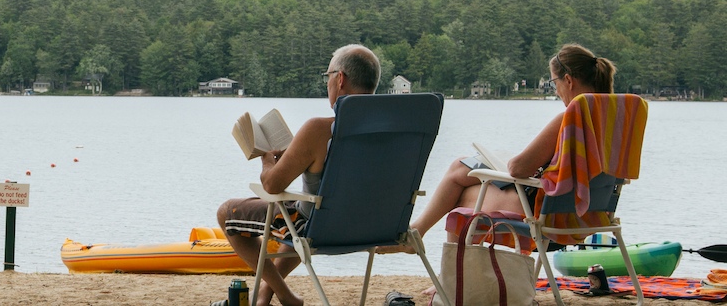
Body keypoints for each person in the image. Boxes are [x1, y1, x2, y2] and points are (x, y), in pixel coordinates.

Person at [381, 43, 617, 254]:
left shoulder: (571, 118)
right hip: (592, 216)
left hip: (549, 220)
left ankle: (447, 272)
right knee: (461, 167)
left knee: (463, 198)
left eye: (554, 82)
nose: (555, 90)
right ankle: (419, 238)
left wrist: (509, 167)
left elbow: (518, 168)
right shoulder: (616, 119)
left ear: (568, 80)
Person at [216, 44, 381, 306]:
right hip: (377, 226)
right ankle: (269, 294)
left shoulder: (319, 129)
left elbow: (272, 185)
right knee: (297, 214)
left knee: (229, 213)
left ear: (340, 79)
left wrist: (267, 161)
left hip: (323, 227)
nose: (327, 83)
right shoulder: (392, 133)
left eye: (327, 76)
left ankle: (282, 293)